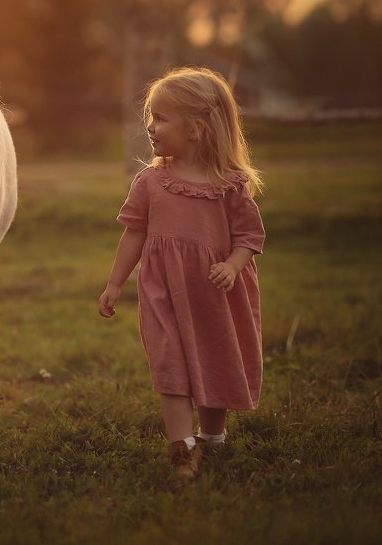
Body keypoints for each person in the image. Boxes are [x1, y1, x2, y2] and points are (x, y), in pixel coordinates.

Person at [98, 67, 266, 479]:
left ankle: (213, 439)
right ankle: (182, 454)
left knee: (214, 359)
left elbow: (250, 236)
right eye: (150, 117)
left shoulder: (229, 185)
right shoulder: (150, 182)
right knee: (171, 367)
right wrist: (115, 283)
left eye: (161, 118)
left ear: (196, 128)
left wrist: (231, 265)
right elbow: (133, 235)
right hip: (163, 294)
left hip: (214, 294)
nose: (151, 127)